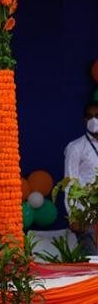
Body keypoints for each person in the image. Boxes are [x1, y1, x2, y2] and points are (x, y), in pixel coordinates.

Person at [63, 100, 98, 256]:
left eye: (97, 116)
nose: (93, 120)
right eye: (89, 117)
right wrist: (73, 215)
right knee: (92, 263)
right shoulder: (76, 147)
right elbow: (70, 182)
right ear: (84, 120)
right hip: (87, 216)